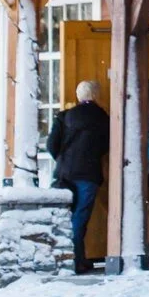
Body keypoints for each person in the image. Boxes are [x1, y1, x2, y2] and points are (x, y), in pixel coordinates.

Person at [46, 79, 110, 275]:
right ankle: (77, 260)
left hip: (64, 173)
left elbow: (51, 144)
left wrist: (63, 159)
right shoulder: (104, 118)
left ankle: (71, 259)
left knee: (64, 216)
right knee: (80, 217)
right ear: (96, 95)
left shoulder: (64, 117)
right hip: (88, 173)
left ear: (78, 96)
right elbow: (105, 146)